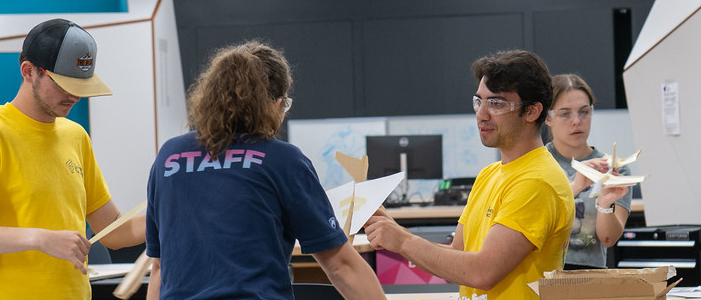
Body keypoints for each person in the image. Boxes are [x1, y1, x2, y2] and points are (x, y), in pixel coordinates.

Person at [144, 41, 385, 299]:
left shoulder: (169, 157)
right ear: (274, 104)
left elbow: (159, 267)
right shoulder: (283, 160)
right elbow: (341, 265)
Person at [365, 50, 574, 299]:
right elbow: (458, 255)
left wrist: (402, 242)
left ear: (531, 112)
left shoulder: (537, 182)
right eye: (479, 101)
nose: (481, 114)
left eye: (495, 103)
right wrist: (395, 231)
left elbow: (482, 272)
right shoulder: (490, 174)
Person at [0, 18, 146, 299]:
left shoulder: (75, 136)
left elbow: (113, 231)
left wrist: (172, 216)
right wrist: (40, 238)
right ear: (29, 71)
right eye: (65, 85)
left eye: (82, 85)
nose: (76, 96)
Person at [543, 74, 630, 269]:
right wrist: (575, 186)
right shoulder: (537, 165)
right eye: (565, 114)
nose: (577, 121)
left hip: (592, 277)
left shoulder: (613, 168)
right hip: (545, 277)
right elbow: (533, 224)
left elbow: (608, 239)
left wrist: (605, 203)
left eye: (584, 112)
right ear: (548, 117)